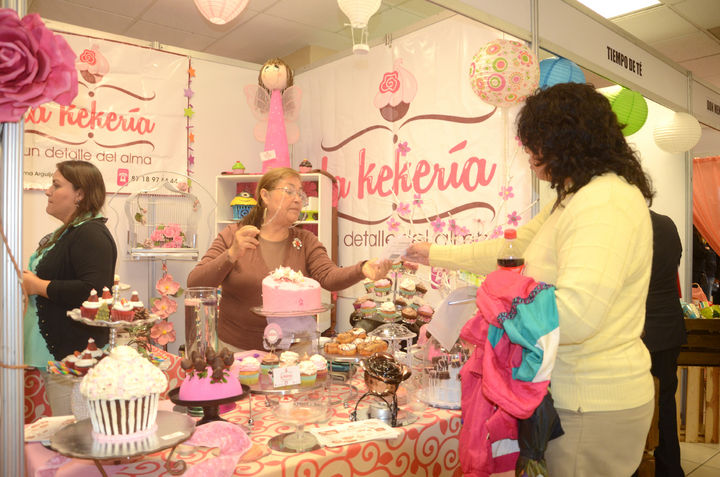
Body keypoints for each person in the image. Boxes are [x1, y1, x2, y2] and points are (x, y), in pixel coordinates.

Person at [404, 82, 655, 476]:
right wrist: (432, 253)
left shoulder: (603, 201)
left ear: (564, 140)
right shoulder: (575, 197)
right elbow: (513, 248)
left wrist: (497, 310)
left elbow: (576, 317)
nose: (529, 152)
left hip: (589, 402)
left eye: (535, 141)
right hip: (567, 396)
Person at [187, 167, 391, 352]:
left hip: (295, 351)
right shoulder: (234, 236)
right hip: (238, 351)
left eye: (300, 194)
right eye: (289, 191)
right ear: (265, 196)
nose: (297, 199)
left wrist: (361, 269)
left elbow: (329, 276)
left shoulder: (305, 241)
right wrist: (230, 255)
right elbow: (195, 282)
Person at [23, 160, 117, 415]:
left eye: (56, 185)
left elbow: (94, 291)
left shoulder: (91, 234)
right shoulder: (68, 233)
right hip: (60, 355)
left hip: (75, 359)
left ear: (80, 194)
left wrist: (39, 286)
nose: (48, 191)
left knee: (75, 429)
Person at [642, 211, 686, 477]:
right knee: (666, 403)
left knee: (634, 408)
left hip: (639, 330)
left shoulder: (624, 225)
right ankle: (670, 469)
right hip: (669, 328)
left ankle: (636, 468)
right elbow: (674, 263)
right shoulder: (667, 224)